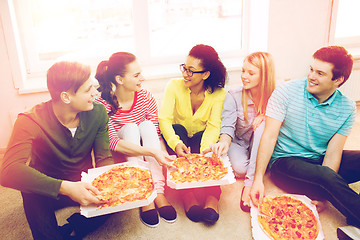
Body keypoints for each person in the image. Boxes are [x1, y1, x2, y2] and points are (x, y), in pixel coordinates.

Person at [250, 46, 360, 230]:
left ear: (338, 80)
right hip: (285, 164)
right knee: (326, 176)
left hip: (319, 162)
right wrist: (258, 179)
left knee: (328, 174)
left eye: (320, 73)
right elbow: (269, 136)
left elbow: (333, 153)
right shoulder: (286, 92)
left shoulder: (347, 108)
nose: (311, 76)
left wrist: (324, 193)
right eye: (311, 69)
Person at [0, 62, 114, 240]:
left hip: (83, 183)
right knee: (28, 186)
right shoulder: (29, 120)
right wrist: (65, 187)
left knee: (117, 200)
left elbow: (103, 157)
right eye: (88, 89)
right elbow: (7, 172)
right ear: (66, 97)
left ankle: (74, 227)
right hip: (46, 187)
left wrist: (111, 184)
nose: (95, 93)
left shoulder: (98, 112)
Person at [94, 52, 177, 228]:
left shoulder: (145, 97)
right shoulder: (102, 105)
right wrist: (152, 152)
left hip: (146, 150)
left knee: (146, 126)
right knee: (131, 127)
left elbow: (155, 132)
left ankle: (158, 191)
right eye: (137, 75)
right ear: (120, 79)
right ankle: (143, 191)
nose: (143, 78)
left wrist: (162, 155)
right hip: (121, 155)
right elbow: (113, 143)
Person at [159, 44, 227, 224]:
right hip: (178, 139)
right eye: (184, 68)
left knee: (205, 141)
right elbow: (164, 119)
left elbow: (213, 127)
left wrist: (205, 152)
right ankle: (187, 194)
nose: (185, 74)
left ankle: (212, 196)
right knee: (177, 130)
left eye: (191, 71)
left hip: (200, 140)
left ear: (205, 74)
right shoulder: (173, 86)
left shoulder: (219, 94)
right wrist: (175, 143)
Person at [206, 52, 275, 212]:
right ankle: (256, 169)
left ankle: (250, 184)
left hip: (261, 145)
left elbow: (278, 129)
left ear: (264, 76)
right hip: (238, 142)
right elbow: (228, 127)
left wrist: (265, 116)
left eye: (251, 73)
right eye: (243, 71)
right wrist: (223, 143)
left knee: (264, 125)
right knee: (240, 169)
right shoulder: (234, 95)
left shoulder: (275, 97)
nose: (244, 76)